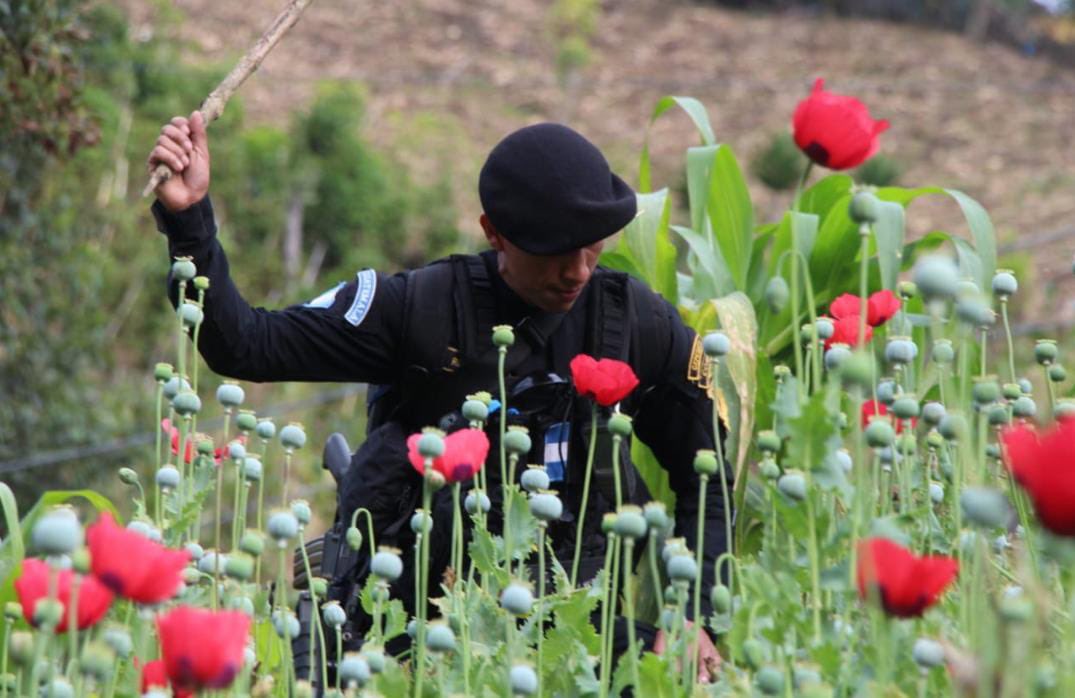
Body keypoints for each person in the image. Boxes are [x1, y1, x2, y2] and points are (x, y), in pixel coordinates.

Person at [148, 110, 729, 681]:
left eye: (592, 247)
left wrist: (697, 617)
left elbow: (707, 476)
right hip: (417, 630)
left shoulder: (632, 323)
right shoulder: (415, 310)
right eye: (555, 251)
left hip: (577, 631)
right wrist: (188, 218)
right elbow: (246, 345)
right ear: (493, 232)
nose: (577, 271)